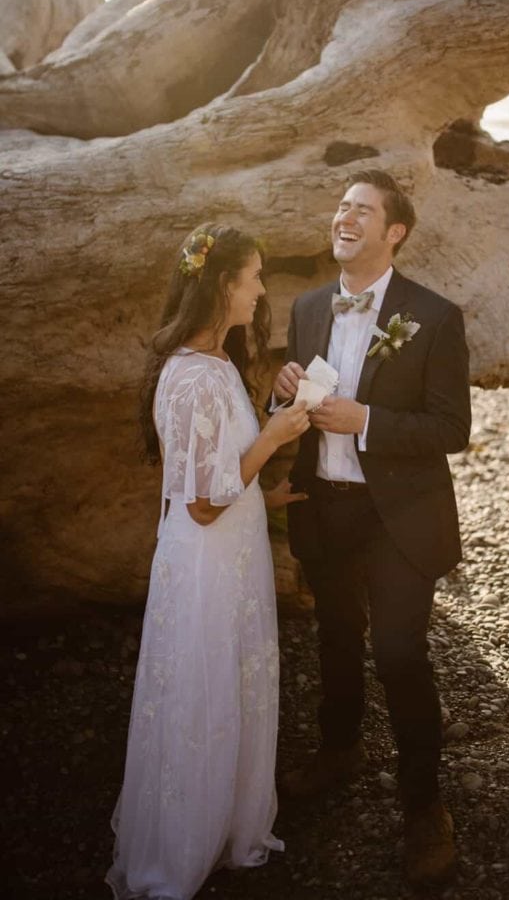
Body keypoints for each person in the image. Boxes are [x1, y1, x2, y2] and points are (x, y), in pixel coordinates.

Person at [273, 170, 471, 887]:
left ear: (395, 233)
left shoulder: (434, 315)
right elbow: (293, 400)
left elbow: (453, 427)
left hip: (398, 515)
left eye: (363, 210)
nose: (345, 217)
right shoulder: (304, 306)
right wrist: (282, 390)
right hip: (324, 504)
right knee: (332, 637)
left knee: (396, 653)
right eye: (341, 207)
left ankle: (423, 807)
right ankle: (339, 751)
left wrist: (369, 422)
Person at [106, 225, 310, 900]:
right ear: (221, 284)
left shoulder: (219, 364)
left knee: (231, 681)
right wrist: (276, 435)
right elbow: (199, 502)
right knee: (204, 690)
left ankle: (221, 827)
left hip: (230, 554)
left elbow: (223, 472)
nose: (259, 290)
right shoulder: (193, 375)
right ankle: (180, 852)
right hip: (205, 562)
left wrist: (268, 486)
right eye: (252, 276)